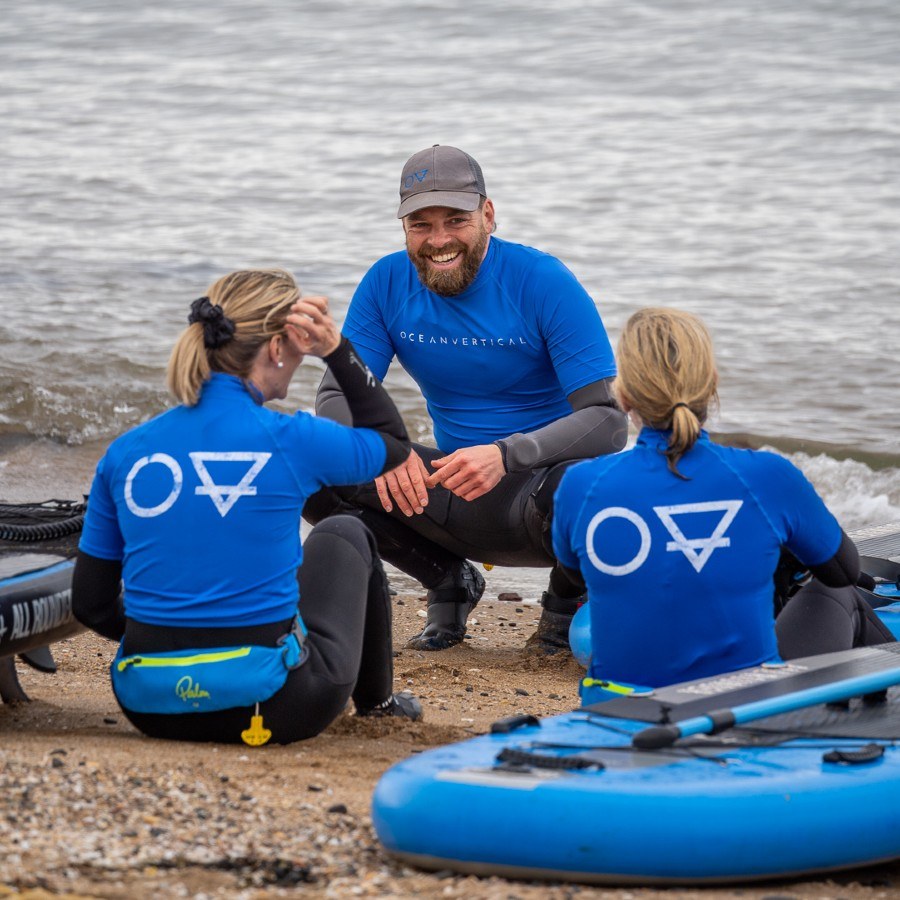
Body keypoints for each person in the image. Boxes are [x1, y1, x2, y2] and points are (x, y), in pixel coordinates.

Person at [72, 269, 422, 745]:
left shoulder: (128, 452)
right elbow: (394, 445)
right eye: (298, 346)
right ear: (277, 347)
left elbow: (91, 605)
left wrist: (179, 649)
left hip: (151, 706)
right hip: (276, 706)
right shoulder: (291, 438)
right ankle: (379, 705)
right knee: (344, 532)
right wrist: (336, 349)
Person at [305, 144, 628, 653]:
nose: (439, 240)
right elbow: (334, 395)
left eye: (456, 220)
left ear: (488, 215)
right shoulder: (385, 282)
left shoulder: (542, 281)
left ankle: (563, 609)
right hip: (446, 495)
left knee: (589, 484)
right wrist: (383, 450)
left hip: (542, 501)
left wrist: (508, 454)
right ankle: (448, 583)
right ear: (404, 228)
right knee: (310, 462)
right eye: (421, 225)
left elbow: (608, 424)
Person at [551, 307, 892, 702]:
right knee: (840, 595)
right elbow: (843, 570)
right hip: (739, 710)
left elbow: (575, 576)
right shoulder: (768, 476)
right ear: (711, 383)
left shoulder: (581, 484)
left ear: (623, 395)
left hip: (616, 706)